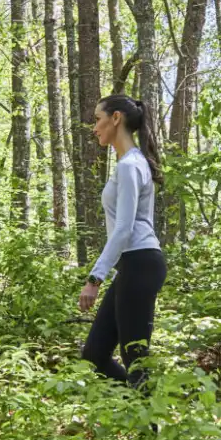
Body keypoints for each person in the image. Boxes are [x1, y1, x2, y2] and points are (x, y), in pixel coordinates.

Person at [78, 94, 167, 389]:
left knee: (135, 358)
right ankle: (138, 412)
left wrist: (95, 277)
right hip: (133, 264)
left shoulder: (130, 165)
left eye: (97, 119)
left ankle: (152, 432)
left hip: (141, 262)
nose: (94, 127)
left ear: (116, 118)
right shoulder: (131, 163)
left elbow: (125, 229)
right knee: (94, 353)